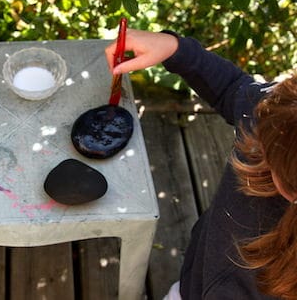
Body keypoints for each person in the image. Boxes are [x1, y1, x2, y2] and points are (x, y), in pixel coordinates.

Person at [105, 28, 295, 299]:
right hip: (191, 285)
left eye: (262, 140)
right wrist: (176, 49)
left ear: (285, 183)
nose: (255, 124)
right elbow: (235, 91)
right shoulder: (281, 114)